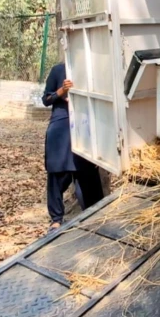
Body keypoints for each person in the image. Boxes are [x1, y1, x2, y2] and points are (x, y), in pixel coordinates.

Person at [42, 62, 105, 233]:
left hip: (84, 127)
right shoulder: (58, 70)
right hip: (61, 127)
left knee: (87, 173)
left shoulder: (92, 67)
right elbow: (46, 100)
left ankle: (94, 216)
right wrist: (61, 91)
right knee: (56, 174)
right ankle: (56, 220)